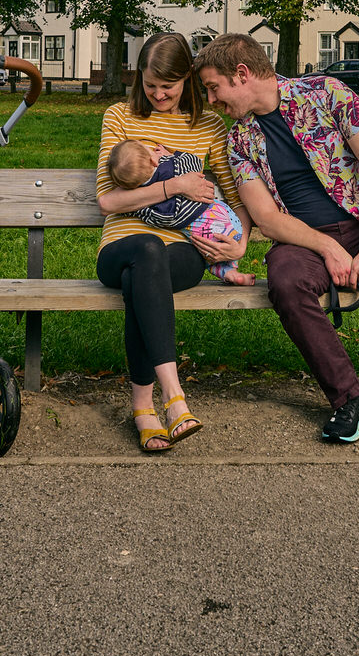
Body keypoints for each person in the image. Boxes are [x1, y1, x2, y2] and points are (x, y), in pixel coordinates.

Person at [193, 33, 359, 446]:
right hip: (303, 243)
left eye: (213, 88)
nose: (211, 100)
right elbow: (266, 218)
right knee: (286, 282)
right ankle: (349, 399)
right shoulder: (239, 139)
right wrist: (328, 247)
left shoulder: (327, 93)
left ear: (241, 75)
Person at [95, 33, 252, 452]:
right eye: (150, 85)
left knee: (146, 274)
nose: (159, 94)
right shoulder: (119, 117)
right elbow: (108, 201)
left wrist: (240, 245)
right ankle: (174, 398)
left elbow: (237, 199)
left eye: (169, 85)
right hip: (122, 246)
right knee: (146, 251)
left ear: (188, 79)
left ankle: (143, 409)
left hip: (187, 248)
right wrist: (172, 187)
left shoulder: (208, 126)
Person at [105, 139, 257, 286]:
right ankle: (233, 268)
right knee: (214, 248)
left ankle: (230, 273)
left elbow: (132, 210)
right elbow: (194, 163)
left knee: (207, 257)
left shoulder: (145, 202)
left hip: (199, 234)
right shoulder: (172, 166)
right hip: (220, 217)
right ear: (153, 160)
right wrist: (171, 155)